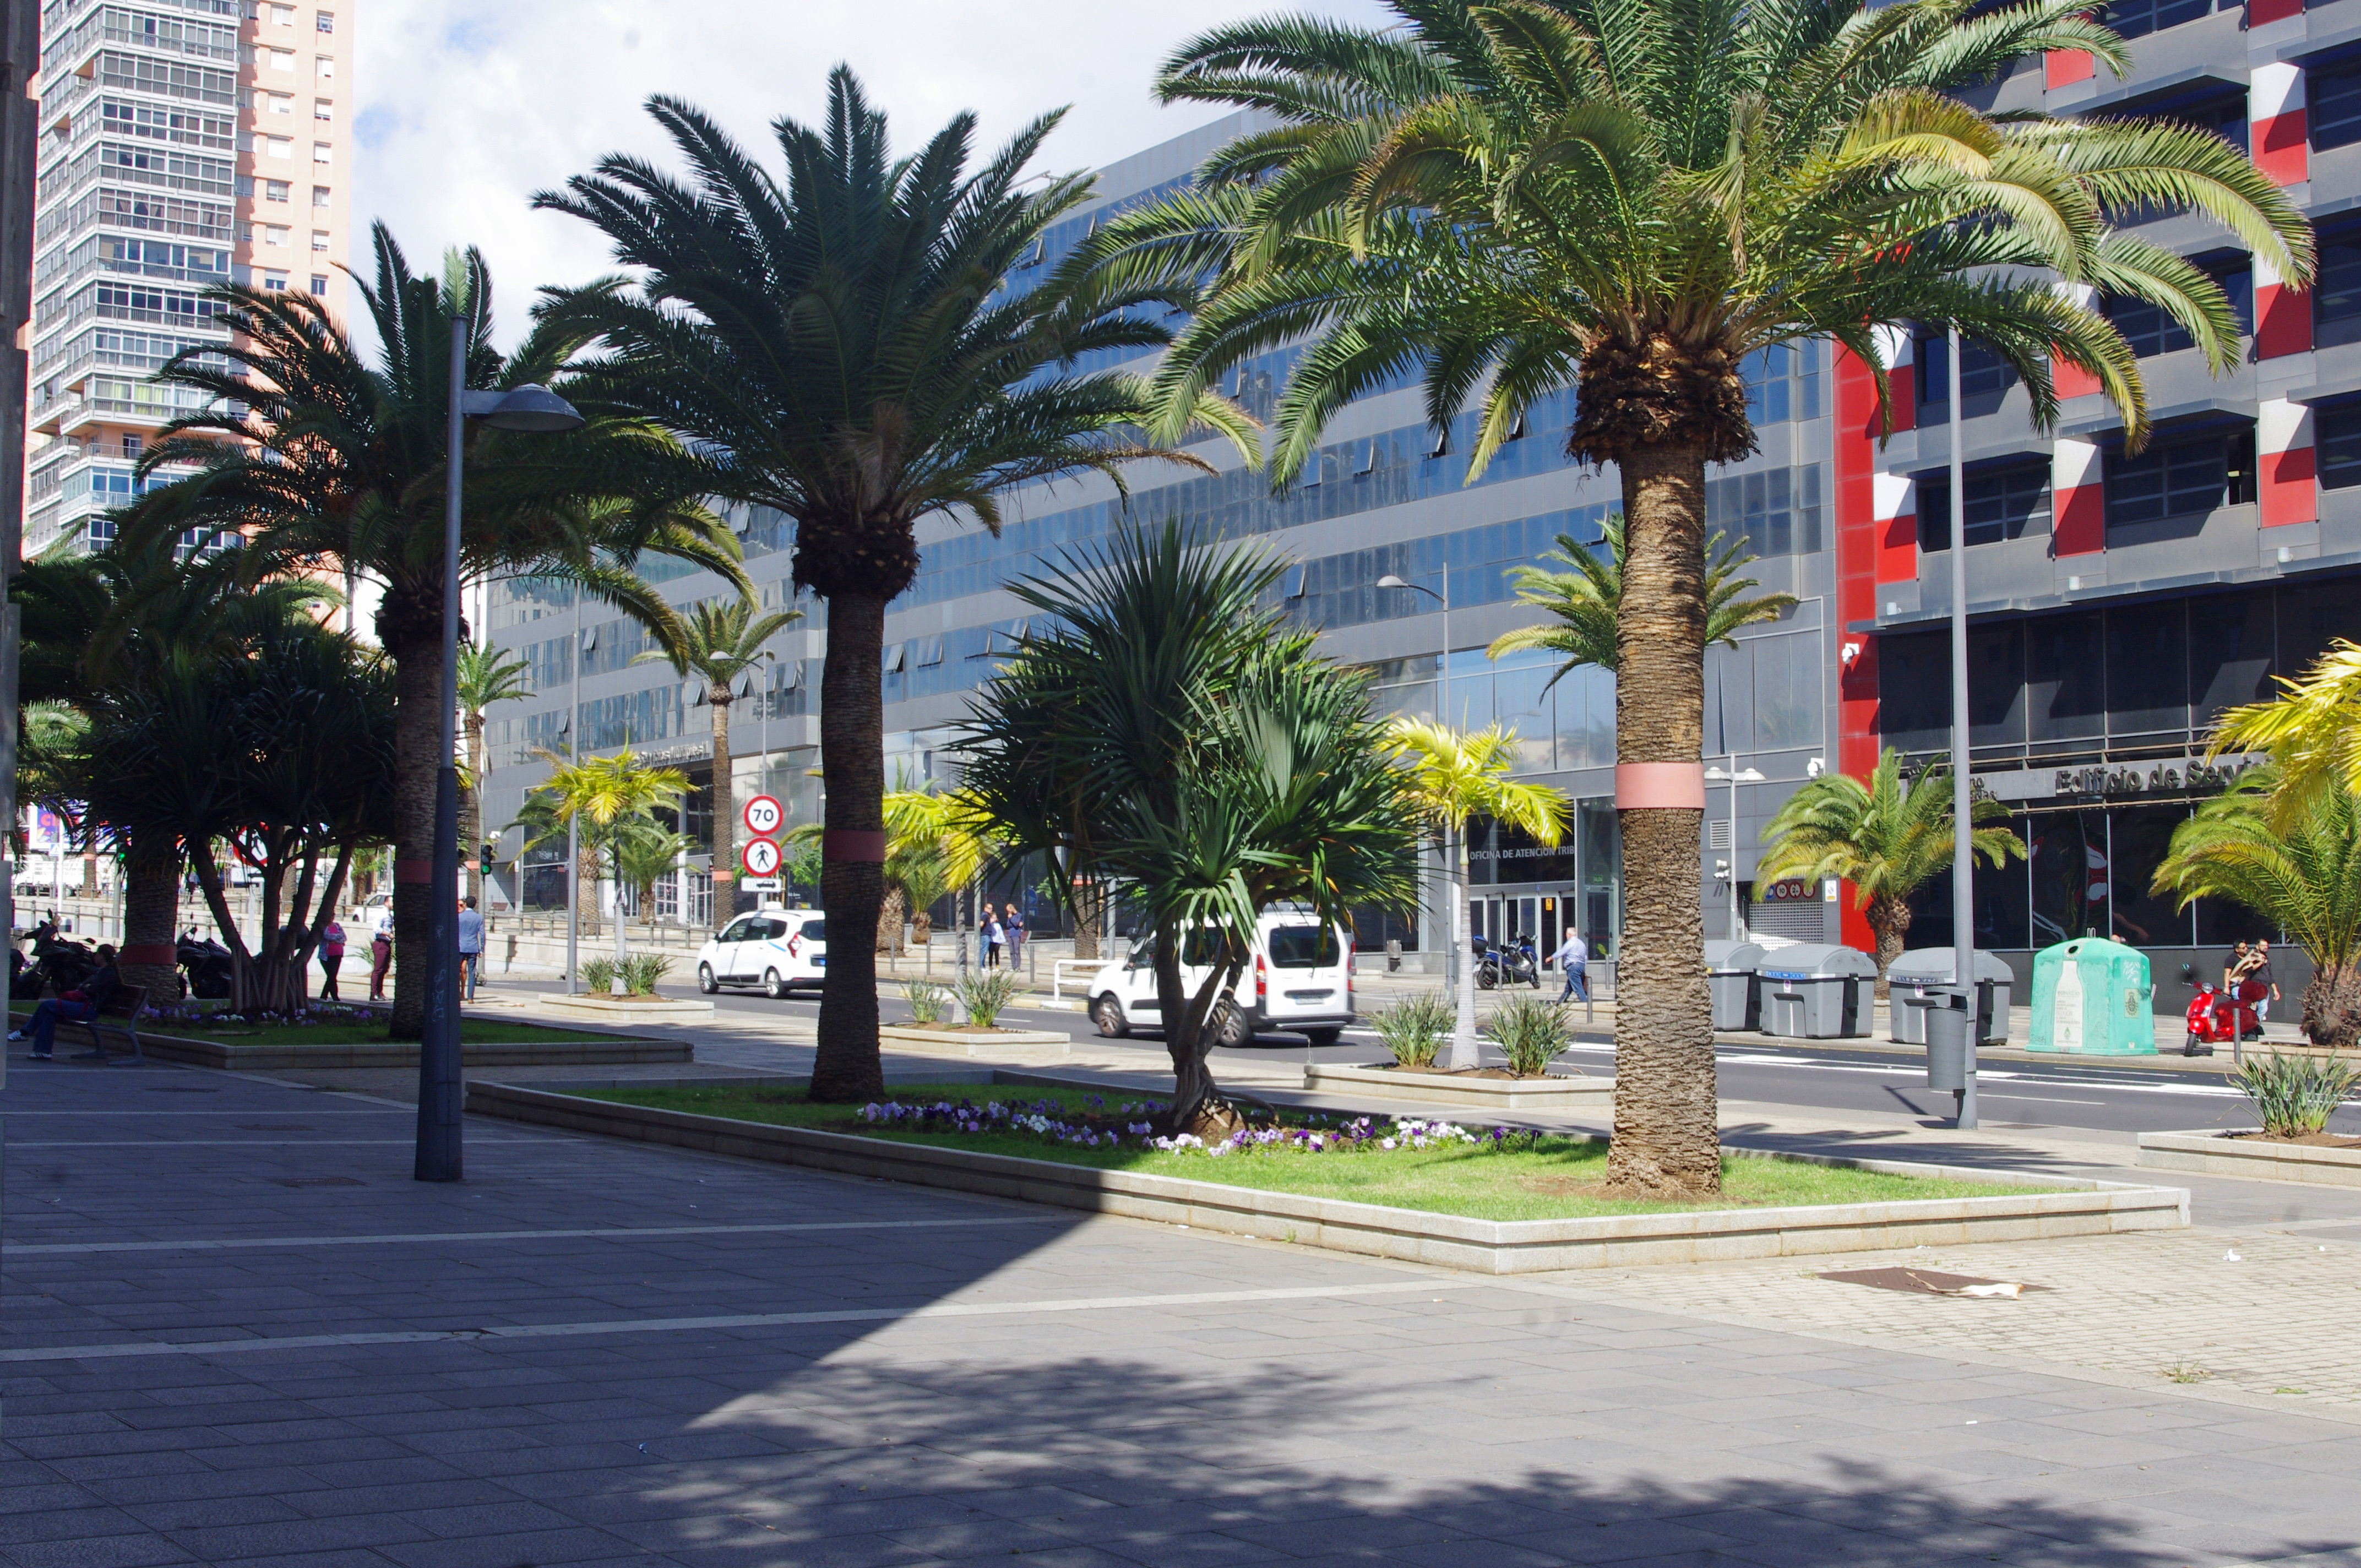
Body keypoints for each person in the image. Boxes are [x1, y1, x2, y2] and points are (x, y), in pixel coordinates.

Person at [12, 943, 117, 1060]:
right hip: (83, 1006)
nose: (95, 956)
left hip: (90, 1009)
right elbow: (84, 986)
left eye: (97, 953)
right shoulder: (101, 971)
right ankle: (43, 1051)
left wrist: (86, 987)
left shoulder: (108, 974)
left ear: (102, 956)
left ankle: (25, 1032)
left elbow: (91, 989)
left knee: (47, 1004)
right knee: (49, 1014)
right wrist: (85, 987)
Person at [2247, 939, 2282, 1027]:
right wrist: (2260, 962)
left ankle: (2255, 1027)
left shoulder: (2267, 959)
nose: (2266, 947)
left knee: (2262, 1009)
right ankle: (2254, 1026)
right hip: (2256, 987)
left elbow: (2270, 976)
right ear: (2257, 946)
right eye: (2264, 946)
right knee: (2263, 1008)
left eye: (2267, 946)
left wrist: (2275, 990)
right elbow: (2249, 970)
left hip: (2265, 988)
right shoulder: (2253, 957)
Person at [456, 895, 485, 1001]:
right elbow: (482, 934)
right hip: (473, 947)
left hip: (460, 947)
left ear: (466, 905)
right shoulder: (479, 918)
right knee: (472, 972)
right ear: (475, 905)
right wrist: (481, 949)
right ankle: (470, 997)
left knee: (457, 970)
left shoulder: (459, 917)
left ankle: (457, 994)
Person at [1553, 928, 1589, 1004]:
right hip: (1581, 966)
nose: (1566, 936)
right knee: (1569, 987)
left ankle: (1586, 1004)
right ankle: (1560, 1003)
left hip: (1573, 967)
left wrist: (1552, 957)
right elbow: (1585, 957)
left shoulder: (1570, 943)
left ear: (1569, 935)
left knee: (1578, 988)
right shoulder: (1581, 943)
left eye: (1566, 934)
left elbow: (1562, 952)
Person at [368, 902, 394, 1000]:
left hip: (387, 943)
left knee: (384, 969)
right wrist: (388, 934)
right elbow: (376, 929)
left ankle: (380, 992)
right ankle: (374, 993)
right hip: (380, 943)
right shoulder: (381, 914)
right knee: (378, 969)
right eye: (391, 902)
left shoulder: (390, 914)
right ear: (386, 903)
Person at [318, 916, 346, 1001]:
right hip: (326, 956)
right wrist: (337, 938)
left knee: (333, 976)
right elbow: (327, 936)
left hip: (337, 954)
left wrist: (335, 941)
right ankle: (333, 997)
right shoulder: (323, 927)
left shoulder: (337, 926)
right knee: (331, 975)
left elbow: (344, 937)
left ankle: (325, 996)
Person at [1004, 902, 1024, 967]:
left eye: (1009, 910)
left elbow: (1016, 924)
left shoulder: (1019, 915)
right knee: (1012, 951)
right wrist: (1012, 920)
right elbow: (1008, 925)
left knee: (1017, 951)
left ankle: (1018, 966)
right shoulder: (1010, 916)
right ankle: (1013, 966)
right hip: (1010, 934)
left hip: (1016, 934)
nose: (1008, 912)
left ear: (1012, 908)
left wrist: (1011, 918)